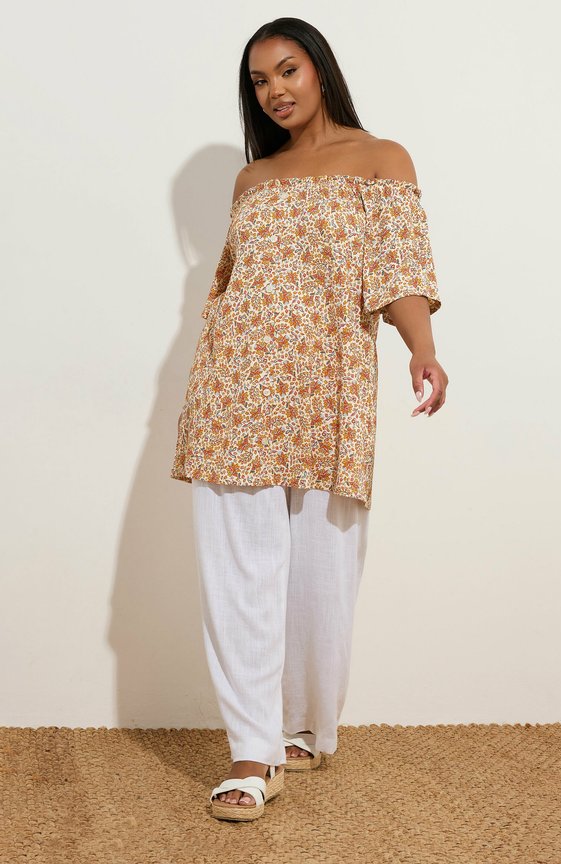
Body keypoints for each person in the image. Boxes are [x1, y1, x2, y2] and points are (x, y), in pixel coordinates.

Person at [171, 17, 449, 822]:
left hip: (328, 395)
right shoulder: (252, 180)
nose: (275, 91)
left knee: (323, 580)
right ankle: (251, 753)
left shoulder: (381, 159)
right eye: (259, 81)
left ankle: (301, 726)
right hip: (235, 393)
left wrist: (422, 350)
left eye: (287, 70)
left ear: (319, 69)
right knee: (240, 575)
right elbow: (233, 288)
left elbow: (399, 270)